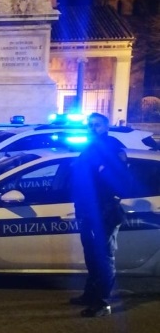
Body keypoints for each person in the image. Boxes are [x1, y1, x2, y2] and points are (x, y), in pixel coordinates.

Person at [69, 112, 129, 317]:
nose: (92, 128)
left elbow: (118, 176)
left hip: (104, 210)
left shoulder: (111, 146)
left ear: (106, 127)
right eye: (90, 125)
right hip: (87, 210)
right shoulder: (89, 148)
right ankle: (90, 294)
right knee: (91, 256)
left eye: (96, 125)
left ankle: (104, 303)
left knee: (104, 257)